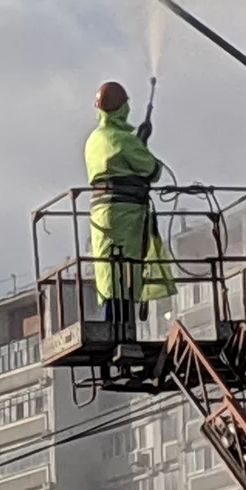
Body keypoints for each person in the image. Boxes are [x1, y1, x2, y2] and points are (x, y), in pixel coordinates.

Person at [84, 81, 176, 331]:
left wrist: (138, 141)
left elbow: (118, 162)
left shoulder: (95, 139)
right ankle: (122, 331)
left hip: (102, 215)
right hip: (126, 215)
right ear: (122, 107)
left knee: (110, 274)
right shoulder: (122, 139)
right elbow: (152, 170)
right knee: (126, 274)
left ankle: (113, 327)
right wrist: (141, 142)